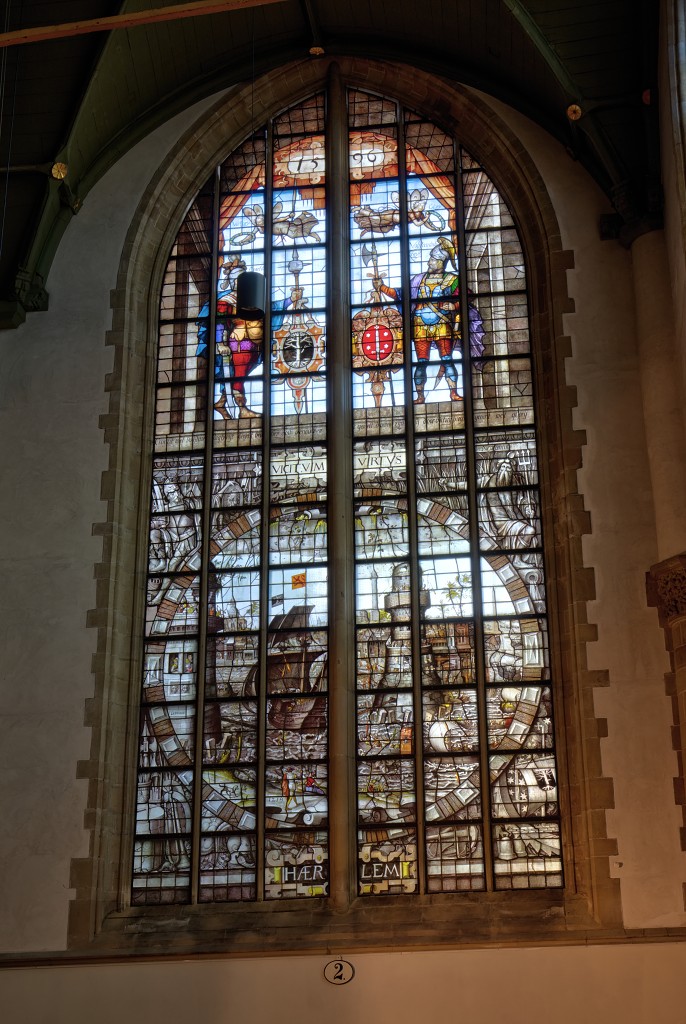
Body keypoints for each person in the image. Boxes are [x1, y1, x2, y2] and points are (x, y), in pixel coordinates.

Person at [373, 236, 484, 403]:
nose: (429, 262)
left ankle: (453, 392)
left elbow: (467, 296)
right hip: (420, 325)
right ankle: (419, 396)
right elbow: (400, 294)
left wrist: (453, 306)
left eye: (432, 259)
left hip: (442, 325)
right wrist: (382, 287)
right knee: (422, 362)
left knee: (447, 360)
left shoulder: (452, 280)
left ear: (441, 262)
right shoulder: (419, 280)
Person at [196, 256, 263, 418]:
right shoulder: (225, 301)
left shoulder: (249, 299)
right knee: (237, 375)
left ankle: (221, 403)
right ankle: (242, 410)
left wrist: (290, 301)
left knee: (239, 375)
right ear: (234, 282)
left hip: (251, 346)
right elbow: (219, 323)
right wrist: (220, 343)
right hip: (237, 345)